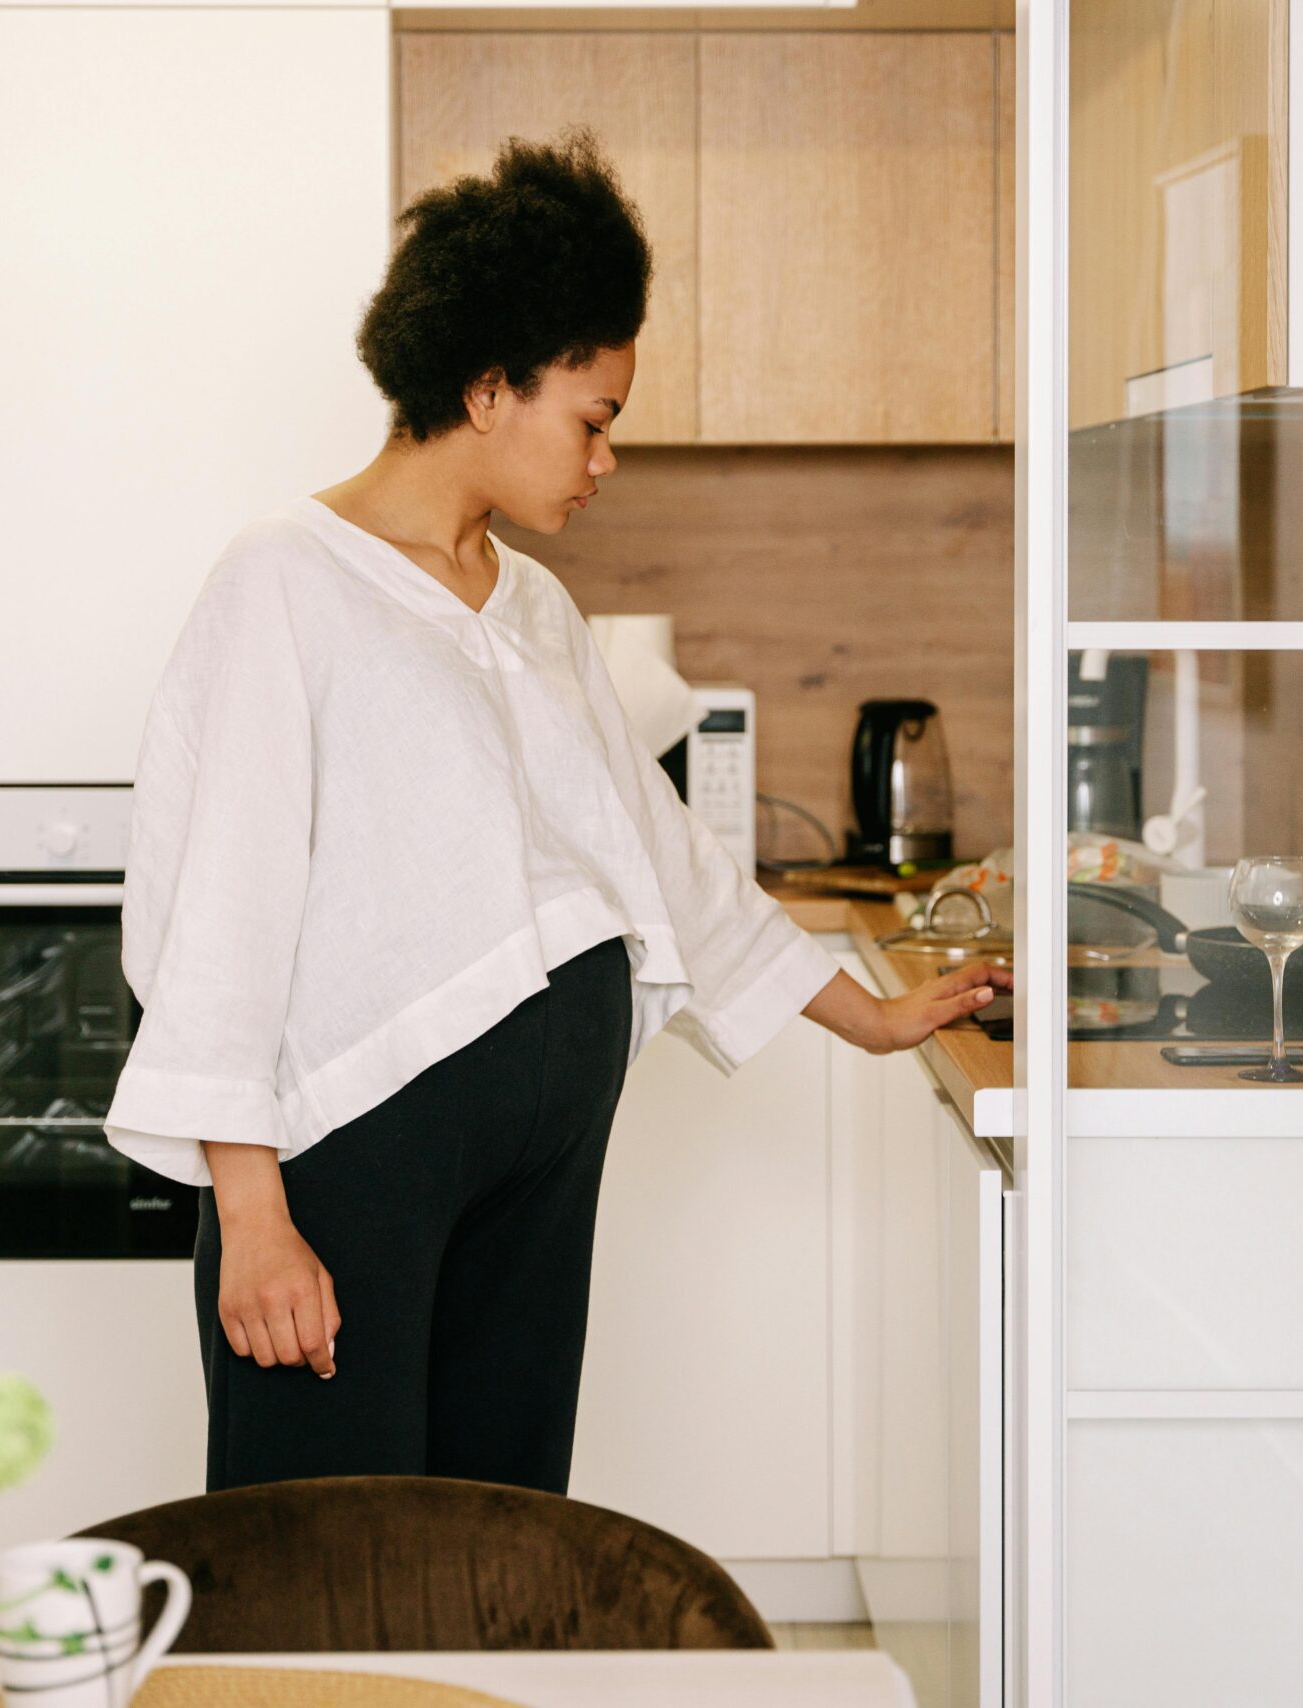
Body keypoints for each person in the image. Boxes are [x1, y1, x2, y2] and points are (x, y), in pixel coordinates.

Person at [102, 131, 1011, 1496]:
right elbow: (222, 909)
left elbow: (658, 853)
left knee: (503, 1533)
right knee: (326, 1547)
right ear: (485, 388)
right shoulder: (285, 583)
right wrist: (252, 1215)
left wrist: (867, 1016)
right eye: (593, 418)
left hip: (539, 1165)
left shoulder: (531, 603)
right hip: (360, 1161)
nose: (606, 458)